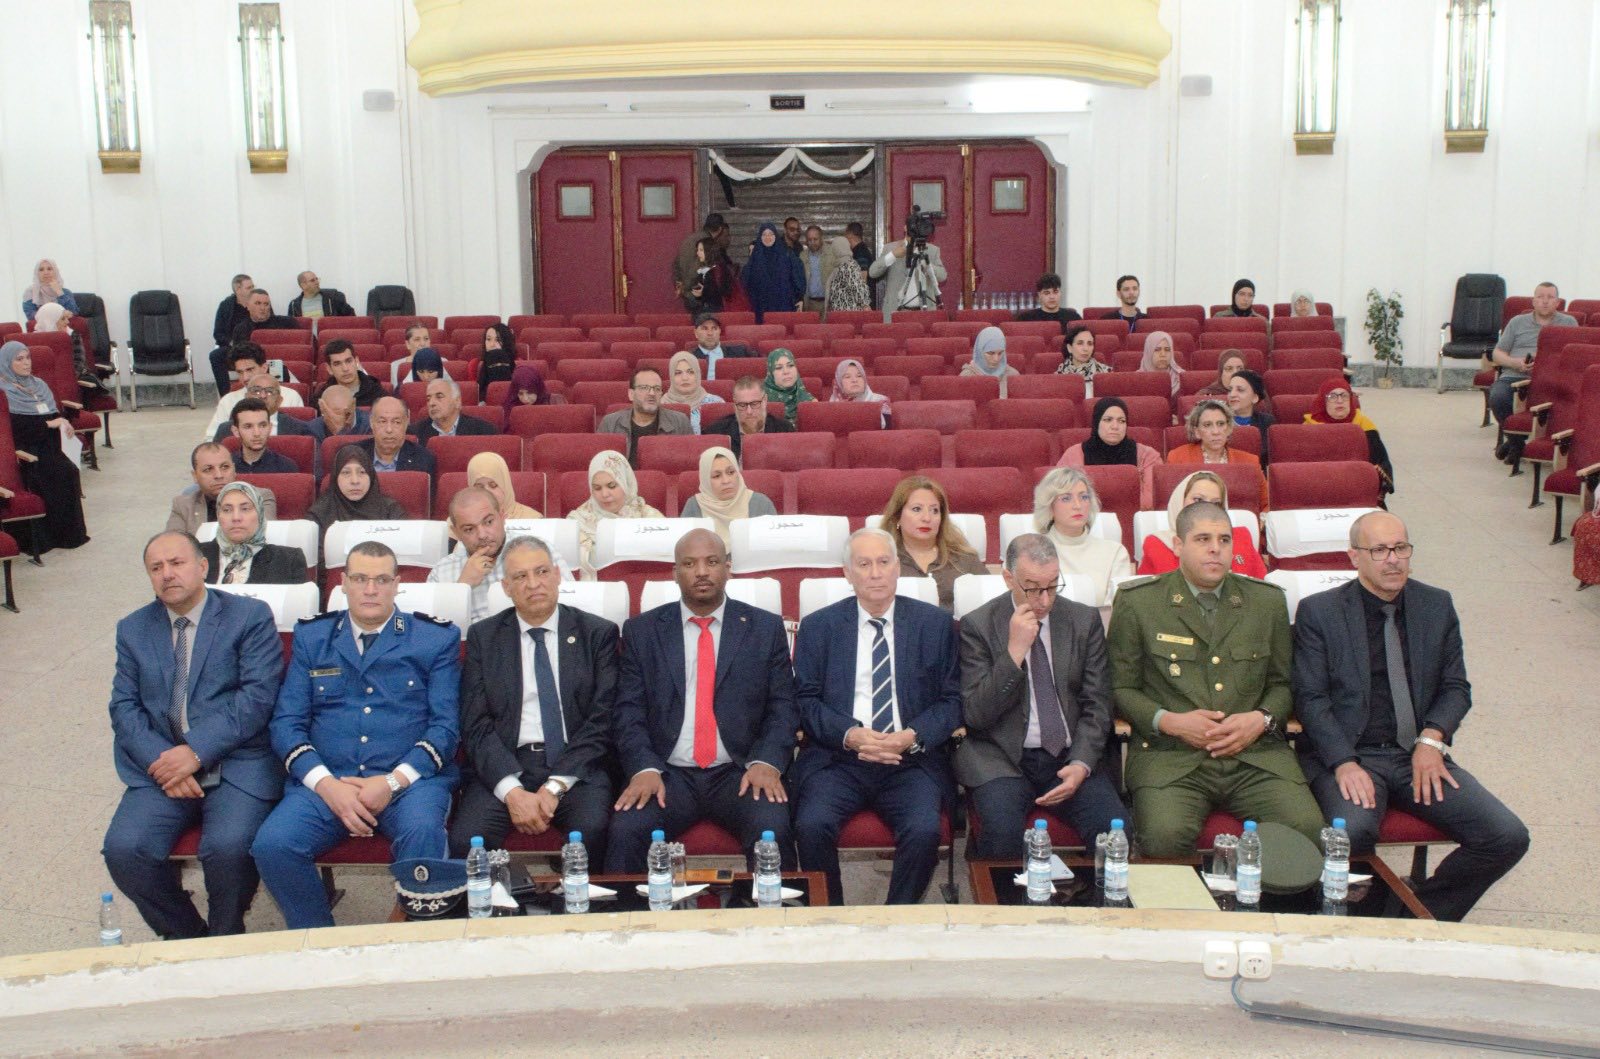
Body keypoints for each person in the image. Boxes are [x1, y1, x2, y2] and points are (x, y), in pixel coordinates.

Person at [1292, 512, 1529, 921]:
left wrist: (1431, 740)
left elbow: (1456, 687)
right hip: (1350, 754)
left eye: (1400, 548)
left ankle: (1418, 918)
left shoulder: (1436, 605)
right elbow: (1310, 699)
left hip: (1416, 754)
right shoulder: (1320, 612)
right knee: (1352, 832)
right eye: (1380, 550)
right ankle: (1366, 918)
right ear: (1355, 557)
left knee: (1505, 836)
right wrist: (1343, 762)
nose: (1393, 559)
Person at [251, 540, 460, 929]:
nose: (370, 589)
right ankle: (318, 941)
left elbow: (445, 728)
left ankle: (420, 941)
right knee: (274, 845)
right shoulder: (314, 637)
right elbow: (287, 723)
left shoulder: (433, 639)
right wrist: (327, 785)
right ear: (343, 583)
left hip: (409, 783)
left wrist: (392, 782)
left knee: (422, 834)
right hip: (330, 781)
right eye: (360, 579)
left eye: (381, 580)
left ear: (397, 584)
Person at [1108, 501, 1325, 856]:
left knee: (1307, 831)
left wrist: (1261, 719)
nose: (1215, 549)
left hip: (1255, 756)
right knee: (1163, 838)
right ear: (1178, 545)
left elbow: (1283, 684)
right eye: (1203, 539)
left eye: (1224, 540)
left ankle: (1263, 893)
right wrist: (1169, 722)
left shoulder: (1265, 602)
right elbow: (1120, 687)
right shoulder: (1140, 603)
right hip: (1171, 758)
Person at [102, 532, 282, 939]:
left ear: (203, 566)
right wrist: (162, 760)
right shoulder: (133, 629)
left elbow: (257, 697)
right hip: (164, 765)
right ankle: (187, 937)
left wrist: (196, 751)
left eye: (177, 563)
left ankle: (224, 935)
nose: (167, 574)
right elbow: (123, 707)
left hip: (236, 759)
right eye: (156, 568)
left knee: (229, 848)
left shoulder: (248, 617)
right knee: (125, 850)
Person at [607, 528, 798, 873]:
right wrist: (644, 767)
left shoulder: (765, 628)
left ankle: (760, 906)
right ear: (674, 572)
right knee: (626, 830)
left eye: (711, 562)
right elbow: (628, 711)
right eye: (689, 564)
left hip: (740, 770)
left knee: (773, 828)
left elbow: (783, 706)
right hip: (667, 772)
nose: (701, 572)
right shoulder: (642, 631)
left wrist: (766, 761)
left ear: (728, 567)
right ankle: (635, 909)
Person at [791, 528, 962, 905]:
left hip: (910, 760)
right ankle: (831, 915)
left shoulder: (934, 625)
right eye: (864, 564)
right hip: (838, 759)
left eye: (883, 562)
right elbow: (804, 700)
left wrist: (911, 736)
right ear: (847, 573)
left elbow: (952, 701)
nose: (875, 573)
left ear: (897, 568)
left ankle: (895, 918)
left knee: (924, 831)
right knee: (811, 825)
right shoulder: (819, 627)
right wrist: (850, 735)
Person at [450, 535, 620, 861]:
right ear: (506, 587)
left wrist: (554, 787)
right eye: (520, 576)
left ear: (556, 575)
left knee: (594, 829)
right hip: (506, 763)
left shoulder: (597, 634)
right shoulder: (485, 638)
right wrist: (512, 792)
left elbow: (603, 719)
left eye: (541, 572)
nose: (533, 584)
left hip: (576, 763)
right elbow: (475, 724)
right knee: (467, 840)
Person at [958, 532, 1128, 859]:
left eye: (1052, 585)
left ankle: (1088, 893)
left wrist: (1081, 763)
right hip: (1003, 759)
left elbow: (1097, 704)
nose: (1045, 600)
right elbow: (976, 714)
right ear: (1009, 578)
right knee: (1001, 834)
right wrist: (1014, 653)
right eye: (1033, 588)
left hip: (1069, 754)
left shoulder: (1083, 621)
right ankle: (1004, 896)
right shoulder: (978, 625)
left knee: (1113, 830)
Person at [1, 341, 88, 552]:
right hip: (26, 448)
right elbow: (16, 429)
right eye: (19, 359)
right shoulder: (4, 391)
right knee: (59, 472)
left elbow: (54, 413)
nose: (26, 363)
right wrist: (49, 424)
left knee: (68, 469)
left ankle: (70, 535)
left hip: (50, 444)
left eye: (28, 357)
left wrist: (64, 421)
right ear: (6, 363)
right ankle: (50, 538)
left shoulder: (39, 384)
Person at [880, 474, 987, 611]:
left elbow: (991, 606)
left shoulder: (965, 559)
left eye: (934, 510)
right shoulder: (882, 560)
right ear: (897, 517)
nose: (927, 518)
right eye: (917, 509)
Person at [1137, 471, 1266, 579]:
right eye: (1198, 499)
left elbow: (1262, 587)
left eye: (1216, 503)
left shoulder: (1241, 536)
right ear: (1180, 501)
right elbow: (1143, 595)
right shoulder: (1156, 544)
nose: (1206, 507)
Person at [1033, 467, 1132, 607]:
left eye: (1084, 497)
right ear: (1049, 507)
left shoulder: (1114, 553)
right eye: (1066, 498)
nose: (1077, 505)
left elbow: (1118, 609)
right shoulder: (1030, 552)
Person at [1489, 282, 1576, 440]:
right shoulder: (1517, 322)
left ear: (1557, 302)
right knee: (1497, 397)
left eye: (1550, 297)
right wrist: (1515, 363)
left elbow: (1575, 357)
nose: (1545, 301)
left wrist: (1546, 364)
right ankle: (1516, 442)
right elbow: (1497, 354)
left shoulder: (1569, 323)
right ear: (1533, 301)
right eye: (1540, 297)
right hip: (1515, 376)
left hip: (1552, 380)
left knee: (1568, 402)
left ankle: (1521, 446)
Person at [428, 486, 521, 624]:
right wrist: (463, 586)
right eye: (469, 529)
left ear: (502, 516)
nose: (482, 535)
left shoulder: (537, 554)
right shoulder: (441, 572)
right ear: (456, 532)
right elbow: (434, 629)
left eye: (489, 522)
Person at [568, 450, 665, 578]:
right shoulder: (576, 522)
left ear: (625, 483)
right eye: (597, 488)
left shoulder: (649, 516)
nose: (605, 494)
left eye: (612, 486)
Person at [1057, 396, 1162, 509]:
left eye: (1121, 421)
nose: (1115, 426)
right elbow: (1060, 495)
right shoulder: (1073, 455)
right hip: (1086, 517)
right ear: (1097, 422)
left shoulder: (1147, 456)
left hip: (1135, 517)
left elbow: (1152, 499)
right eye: (1108, 420)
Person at [201, 481, 308, 585]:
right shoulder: (197, 555)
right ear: (218, 515)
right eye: (227, 510)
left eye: (245, 509)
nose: (236, 517)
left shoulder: (288, 561)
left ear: (260, 514)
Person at [1305, 378, 1395, 498]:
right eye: (1332, 396)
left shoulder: (1364, 424)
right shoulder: (1309, 427)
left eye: (1344, 395)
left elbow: (1379, 461)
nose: (1340, 401)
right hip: (1320, 487)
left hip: (1357, 487)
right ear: (1323, 401)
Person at [168, 442, 279, 535]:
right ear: (195, 476)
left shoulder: (260, 497)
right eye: (208, 469)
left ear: (234, 470)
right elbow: (171, 545)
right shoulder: (183, 506)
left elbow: (265, 536)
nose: (219, 475)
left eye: (225, 467)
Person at [203, 342, 305, 440]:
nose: (245, 378)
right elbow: (211, 438)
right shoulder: (228, 401)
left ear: (264, 368)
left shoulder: (290, 396)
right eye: (240, 372)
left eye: (250, 370)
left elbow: (301, 436)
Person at [679, 446, 777, 543]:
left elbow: (774, 545)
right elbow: (684, 548)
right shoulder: (694, 506)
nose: (726, 481)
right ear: (705, 480)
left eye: (731, 472)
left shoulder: (761, 504)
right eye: (716, 476)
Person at [306, 445, 407, 539]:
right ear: (335, 477)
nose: (355, 481)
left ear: (371, 476)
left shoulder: (391, 510)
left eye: (362, 472)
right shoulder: (319, 514)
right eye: (346, 472)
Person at [597, 367, 692, 466]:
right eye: (644, 388)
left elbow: (689, 464)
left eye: (657, 388)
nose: (652, 393)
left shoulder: (680, 422)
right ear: (631, 394)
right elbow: (600, 465)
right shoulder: (610, 423)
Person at [701, 376, 794, 459]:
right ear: (734, 404)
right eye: (742, 405)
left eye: (755, 404)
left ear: (765, 400)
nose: (749, 411)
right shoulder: (716, 433)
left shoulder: (785, 431)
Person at [869, 230, 947, 320]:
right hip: (895, 312)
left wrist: (928, 266)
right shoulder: (890, 248)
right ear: (905, 227)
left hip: (924, 313)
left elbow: (943, 276)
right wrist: (893, 255)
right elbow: (873, 272)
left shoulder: (932, 250)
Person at [212, 373, 311, 443]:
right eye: (256, 391)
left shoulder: (299, 429)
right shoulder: (226, 429)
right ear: (246, 397)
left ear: (279, 400)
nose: (262, 396)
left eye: (269, 391)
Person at [1166, 399, 1262, 469]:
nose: (1216, 432)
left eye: (1221, 424)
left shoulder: (1250, 462)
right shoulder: (1177, 458)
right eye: (1207, 425)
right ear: (1197, 432)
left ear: (1229, 429)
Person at [32, 301, 107, 389]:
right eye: (63, 319)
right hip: (43, 386)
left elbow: (78, 365)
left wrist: (60, 380)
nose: (67, 322)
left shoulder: (73, 335)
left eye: (67, 318)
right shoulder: (35, 339)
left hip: (73, 383)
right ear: (50, 321)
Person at [741, 222, 804, 323]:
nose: (768, 237)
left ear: (776, 236)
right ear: (760, 237)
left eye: (771, 234)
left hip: (783, 304)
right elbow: (745, 281)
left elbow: (797, 277)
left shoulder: (787, 256)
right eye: (764, 234)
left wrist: (799, 298)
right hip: (760, 307)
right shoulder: (754, 259)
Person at [460, 450, 541, 527]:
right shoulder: (462, 521)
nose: (488, 492)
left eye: (493, 485)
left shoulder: (533, 519)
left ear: (505, 485)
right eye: (480, 487)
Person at [361, 395, 436, 476]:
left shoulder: (423, 459)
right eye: (382, 421)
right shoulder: (355, 455)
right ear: (371, 422)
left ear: (406, 423)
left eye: (397, 422)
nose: (389, 429)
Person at [208, 274, 256, 396]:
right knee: (215, 356)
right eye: (249, 287)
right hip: (234, 347)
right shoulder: (226, 306)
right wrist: (232, 342)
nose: (252, 290)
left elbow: (269, 323)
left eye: (253, 287)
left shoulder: (258, 302)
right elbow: (218, 333)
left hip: (256, 346)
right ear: (238, 289)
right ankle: (226, 396)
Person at [410, 378, 497, 443]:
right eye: (428, 399)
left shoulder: (482, 431)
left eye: (439, 397)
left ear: (457, 401)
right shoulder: (414, 433)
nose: (431, 403)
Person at [229, 398, 298, 475]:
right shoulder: (225, 467)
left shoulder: (286, 467)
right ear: (236, 431)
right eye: (248, 426)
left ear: (270, 428)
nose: (257, 433)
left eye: (262, 425)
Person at [672, 212, 727, 301]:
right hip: (697, 292)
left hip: (686, 292)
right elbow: (698, 267)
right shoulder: (707, 243)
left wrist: (679, 285)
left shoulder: (690, 239)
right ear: (720, 229)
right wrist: (688, 286)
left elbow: (676, 263)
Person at [666, 349, 724, 433]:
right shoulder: (661, 405)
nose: (685, 378)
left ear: (698, 374)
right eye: (678, 373)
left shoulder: (716, 403)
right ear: (671, 376)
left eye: (690, 372)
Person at [1226, 369, 1275, 466]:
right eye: (1230, 390)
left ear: (1255, 398)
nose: (1232, 394)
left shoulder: (1266, 422)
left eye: (1240, 390)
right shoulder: (1220, 420)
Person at [318, 339, 387, 408]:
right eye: (337, 364)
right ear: (329, 369)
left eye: (348, 361)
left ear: (356, 362)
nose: (345, 369)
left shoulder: (378, 394)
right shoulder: (321, 399)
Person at [682, 236, 740, 316]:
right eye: (697, 250)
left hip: (717, 312)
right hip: (711, 310)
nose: (698, 253)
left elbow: (721, 292)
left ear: (709, 251)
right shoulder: (706, 270)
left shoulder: (717, 270)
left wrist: (703, 293)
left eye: (701, 250)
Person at [688, 313, 752, 380]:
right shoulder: (688, 358)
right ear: (696, 333)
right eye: (705, 328)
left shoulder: (740, 352)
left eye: (714, 328)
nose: (710, 333)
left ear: (719, 331)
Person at [960, 326, 1019, 396]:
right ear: (980, 352)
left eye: (1000, 353)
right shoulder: (966, 377)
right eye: (991, 353)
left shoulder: (1012, 375)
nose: (996, 359)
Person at [830, 358, 890, 427]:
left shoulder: (881, 402)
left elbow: (887, 431)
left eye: (859, 376)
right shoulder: (832, 406)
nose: (854, 380)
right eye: (847, 377)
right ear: (839, 382)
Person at [1016, 273, 1082, 334]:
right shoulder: (1025, 318)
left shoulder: (1073, 317)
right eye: (1047, 293)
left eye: (1055, 292)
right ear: (1039, 295)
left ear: (1060, 293)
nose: (1052, 297)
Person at [762, 348, 814, 426]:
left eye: (790, 365)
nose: (786, 372)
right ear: (770, 373)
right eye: (779, 368)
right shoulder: (760, 403)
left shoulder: (811, 402)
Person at [305, 383, 370, 445]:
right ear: (323, 410)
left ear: (353, 405)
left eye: (348, 412)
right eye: (337, 412)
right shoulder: (314, 429)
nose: (344, 417)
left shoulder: (370, 425)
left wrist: (340, 432)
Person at [228, 289, 297, 346]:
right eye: (258, 303)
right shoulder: (240, 329)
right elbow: (239, 355)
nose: (262, 308)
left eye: (266, 304)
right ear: (248, 306)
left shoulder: (287, 323)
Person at [822, 235, 870, 315]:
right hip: (840, 313)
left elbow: (857, 287)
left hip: (849, 314)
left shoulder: (848, 265)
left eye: (834, 248)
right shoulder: (839, 265)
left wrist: (865, 305)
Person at [285, 271, 354, 319]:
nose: (317, 282)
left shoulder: (333, 297)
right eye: (312, 280)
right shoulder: (294, 305)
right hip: (308, 336)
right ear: (303, 285)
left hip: (329, 335)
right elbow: (292, 328)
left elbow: (351, 318)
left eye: (317, 279)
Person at [1139, 330, 1184, 396]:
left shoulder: (1181, 378)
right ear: (1148, 352)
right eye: (1157, 350)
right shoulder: (1137, 379)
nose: (1163, 354)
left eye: (1167, 350)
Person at [844, 221, 876, 307]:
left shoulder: (860, 252)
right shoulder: (860, 250)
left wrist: (862, 302)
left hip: (862, 303)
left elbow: (863, 278)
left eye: (845, 235)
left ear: (850, 234)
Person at [799, 225, 828, 313]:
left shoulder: (832, 254)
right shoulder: (802, 256)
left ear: (821, 238)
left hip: (828, 304)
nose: (812, 242)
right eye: (809, 240)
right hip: (810, 304)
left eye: (815, 239)